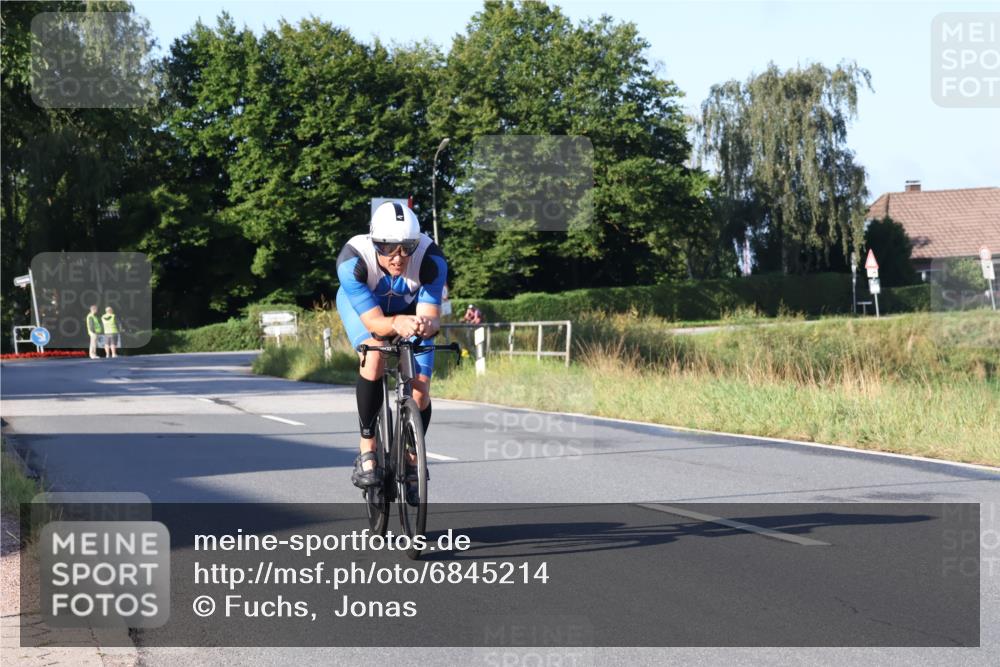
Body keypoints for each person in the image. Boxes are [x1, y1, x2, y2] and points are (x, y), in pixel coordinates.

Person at [336, 202, 447, 503]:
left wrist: (426, 324)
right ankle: (367, 448)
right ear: (376, 243)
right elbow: (374, 323)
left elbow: (432, 318)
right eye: (388, 248)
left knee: (421, 391)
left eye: (406, 247)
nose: (398, 257)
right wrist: (396, 323)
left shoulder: (430, 259)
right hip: (366, 309)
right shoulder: (352, 261)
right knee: (374, 353)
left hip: (408, 312)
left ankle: (412, 460)